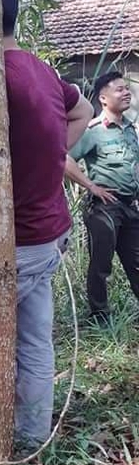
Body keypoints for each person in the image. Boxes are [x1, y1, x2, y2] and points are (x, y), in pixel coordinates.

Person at [0, 0, 94, 451]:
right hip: (51, 234)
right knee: (34, 340)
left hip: (19, 240)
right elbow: (83, 110)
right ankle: (30, 439)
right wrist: (48, 159)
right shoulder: (42, 70)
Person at [65, 71, 139, 324]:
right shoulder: (93, 131)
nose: (126, 92)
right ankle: (100, 317)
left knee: (136, 262)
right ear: (103, 98)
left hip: (130, 206)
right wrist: (91, 186)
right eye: (119, 89)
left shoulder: (130, 129)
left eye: (127, 88)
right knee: (101, 265)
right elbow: (64, 158)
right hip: (104, 208)